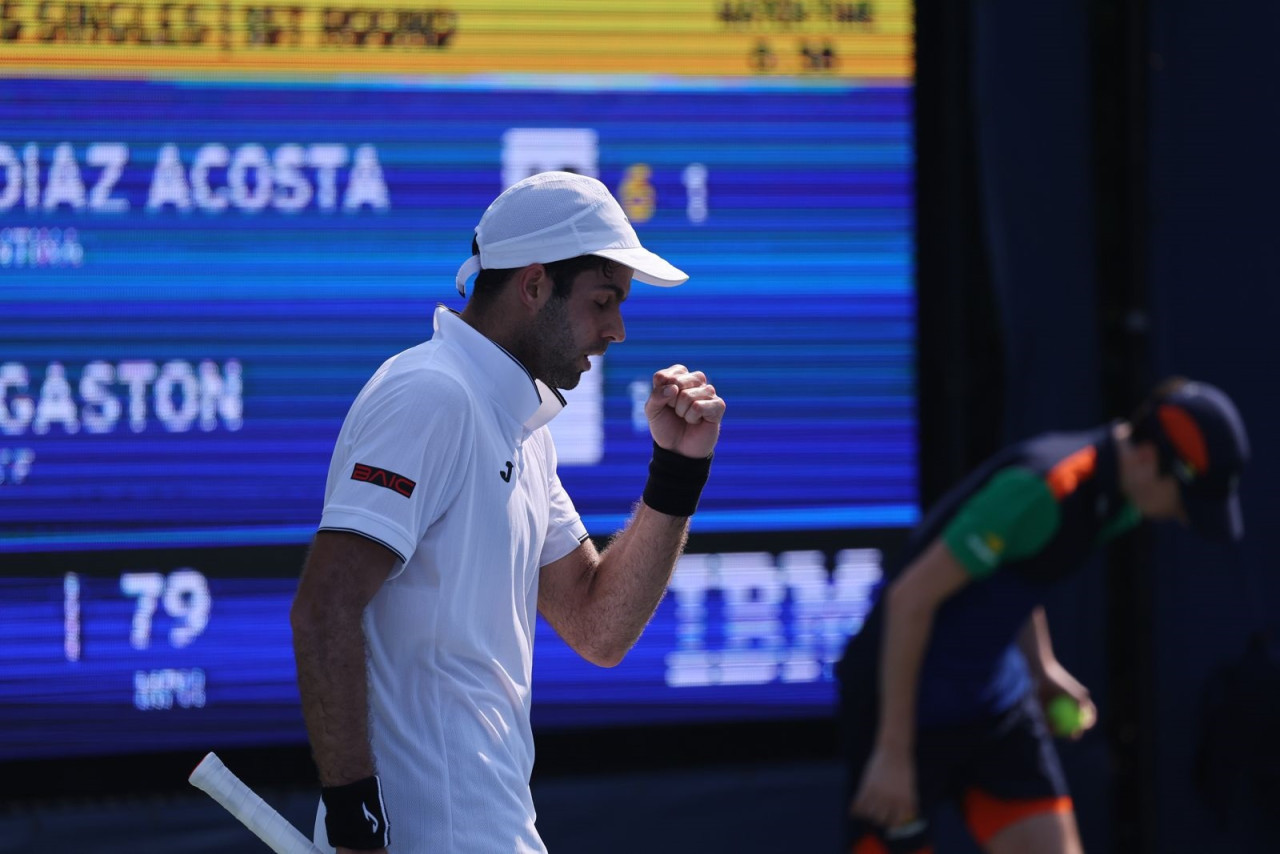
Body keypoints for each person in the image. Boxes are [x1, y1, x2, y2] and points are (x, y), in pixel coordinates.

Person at [290, 171, 726, 853]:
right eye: (604, 300)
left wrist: (677, 471)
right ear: (533, 285)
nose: (617, 331)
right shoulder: (430, 395)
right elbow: (325, 606)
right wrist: (355, 824)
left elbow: (597, 626)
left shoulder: (522, 429)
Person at [837, 377, 1249, 854]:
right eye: (1183, 498)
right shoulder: (1045, 486)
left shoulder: (1123, 502)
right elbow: (910, 601)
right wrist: (892, 751)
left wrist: (1043, 668)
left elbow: (1021, 571)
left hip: (992, 706)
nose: (1181, 515)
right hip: (901, 713)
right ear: (1148, 458)